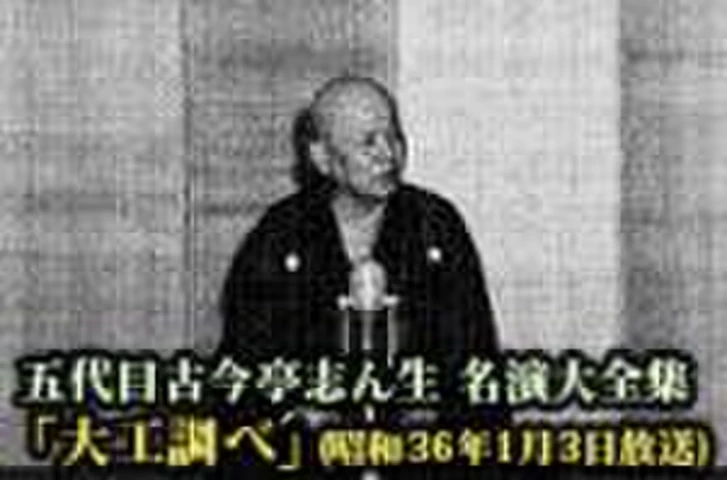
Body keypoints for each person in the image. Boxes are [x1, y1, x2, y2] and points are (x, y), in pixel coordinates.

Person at [217, 76, 507, 477]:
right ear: (322, 158)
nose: (388, 154)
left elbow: (478, 366)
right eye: (368, 142)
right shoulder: (280, 236)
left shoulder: (436, 226)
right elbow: (243, 379)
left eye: (394, 136)